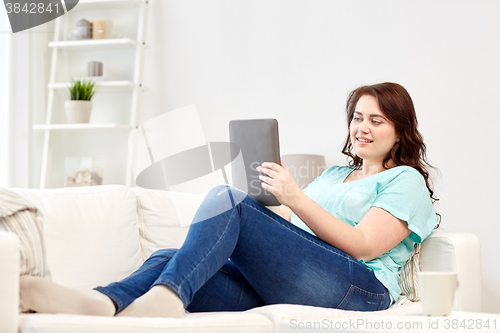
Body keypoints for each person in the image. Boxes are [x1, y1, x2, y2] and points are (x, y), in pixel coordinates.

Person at [20, 82, 439, 318]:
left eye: (376, 120)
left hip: (359, 289)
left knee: (228, 200)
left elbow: (363, 244)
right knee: (169, 257)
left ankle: (164, 303)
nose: (361, 128)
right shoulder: (333, 174)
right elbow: (293, 234)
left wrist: (293, 196)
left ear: (400, 131)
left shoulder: (406, 181)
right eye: (357, 118)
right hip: (306, 280)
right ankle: (102, 301)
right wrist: (275, 199)